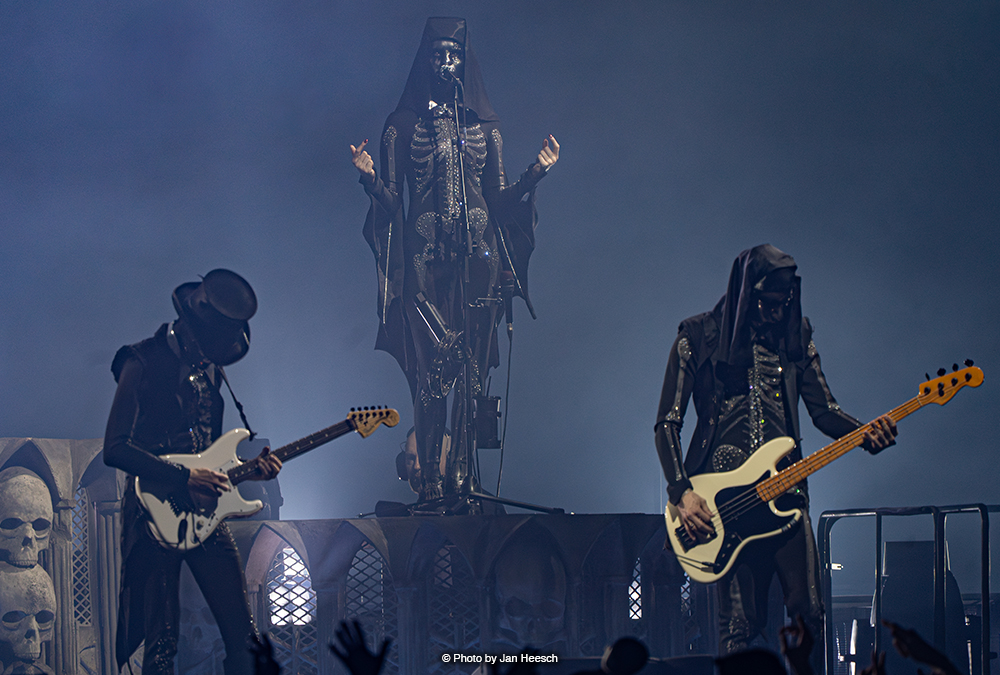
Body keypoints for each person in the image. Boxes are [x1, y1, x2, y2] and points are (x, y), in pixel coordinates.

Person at [654, 244, 897, 661]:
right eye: (768, 302)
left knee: (809, 614)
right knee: (739, 626)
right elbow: (667, 422)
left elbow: (824, 411)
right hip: (723, 507)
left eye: (785, 301)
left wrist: (864, 433)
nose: (776, 311)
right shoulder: (696, 336)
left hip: (786, 495)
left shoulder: (795, 336)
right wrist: (682, 492)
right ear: (747, 294)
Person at [350, 17, 559, 502]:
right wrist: (369, 178)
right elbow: (393, 203)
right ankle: (429, 483)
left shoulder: (486, 129)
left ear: (465, 62)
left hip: (477, 261)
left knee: (470, 374)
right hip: (423, 264)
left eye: (454, 54)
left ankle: (463, 482)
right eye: (438, 54)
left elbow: (499, 198)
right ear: (425, 60)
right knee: (433, 369)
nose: (446, 63)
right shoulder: (401, 127)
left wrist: (536, 173)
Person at [103, 269, 282, 675]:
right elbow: (114, 448)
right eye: (208, 347)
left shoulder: (210, 371)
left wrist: (250, 472)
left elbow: (208, 457)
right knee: (161, 644)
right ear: (189, 327)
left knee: (245, 639)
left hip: (204, 515)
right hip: (152, 513)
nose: (211, 358)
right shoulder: (140, 360)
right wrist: (183, 478)